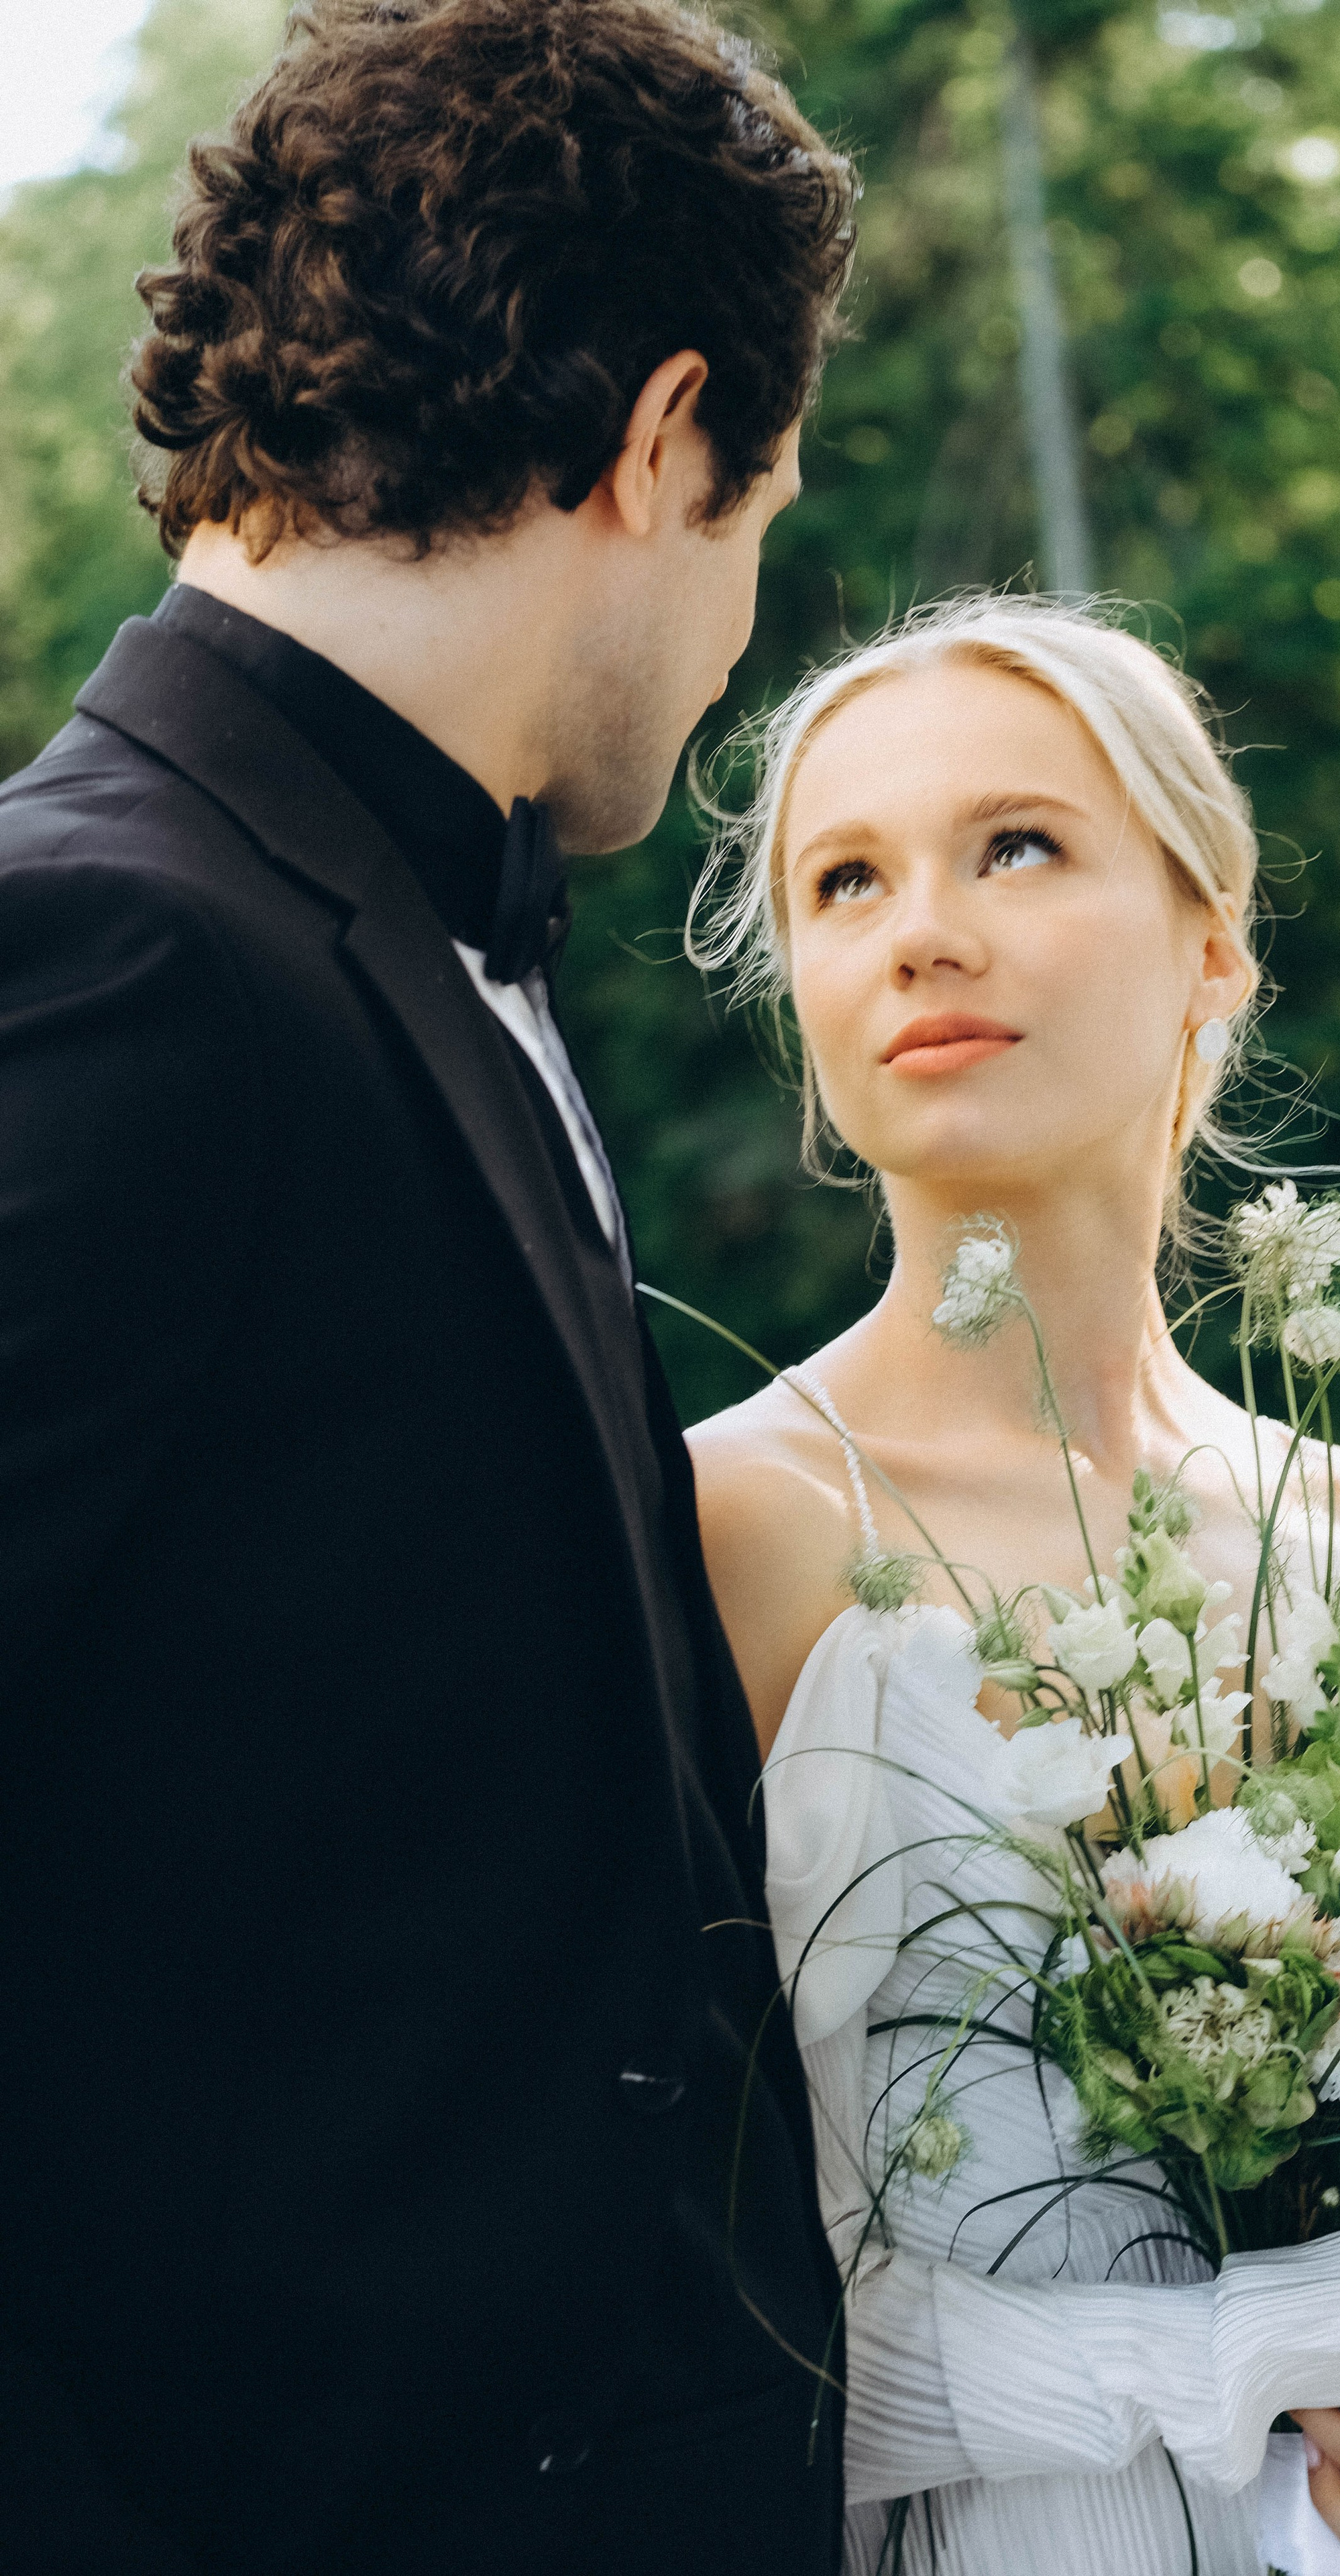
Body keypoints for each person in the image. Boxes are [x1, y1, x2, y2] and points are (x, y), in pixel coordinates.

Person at [0, 3, 854, 2568]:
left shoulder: (369, 920)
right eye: (757, 521)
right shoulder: (111, 955)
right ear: (660, 436)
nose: (731, 638)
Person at [686, 596, 1340, 2574]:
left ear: (1213, 942)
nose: (920, 927)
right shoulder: (725, 1530)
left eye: (1017, 844)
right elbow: (728, 2337)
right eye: (845, 880)